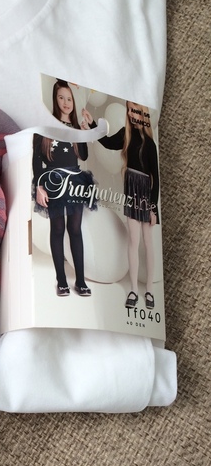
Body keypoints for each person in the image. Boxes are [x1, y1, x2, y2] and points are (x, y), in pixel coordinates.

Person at [82, 101, 159, 310]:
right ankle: (133, 289)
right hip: (132, 189)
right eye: (130, 111)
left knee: (148, 242)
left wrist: (153, 208)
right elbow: (107, 142)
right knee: (133, 241)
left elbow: (155, 176)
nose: (133, 114)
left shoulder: (149, 143)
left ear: (143, 114)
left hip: (146, 191)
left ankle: (149, 291)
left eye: (137, 111)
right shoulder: (126, 134)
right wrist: (92, 125)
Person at [33, 80, 95, 297]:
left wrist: (85, 133)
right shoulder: (46, 126)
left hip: (75, 181)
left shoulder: (76, 127)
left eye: (69, 98)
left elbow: (83, 156)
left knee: (75, 229)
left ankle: (80, 280)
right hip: (53, 181)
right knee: (57, 229)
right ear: (55, 99)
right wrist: (39, 186)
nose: (66, 102)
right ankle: (61, 280)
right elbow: (36, 160)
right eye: (61, 97)